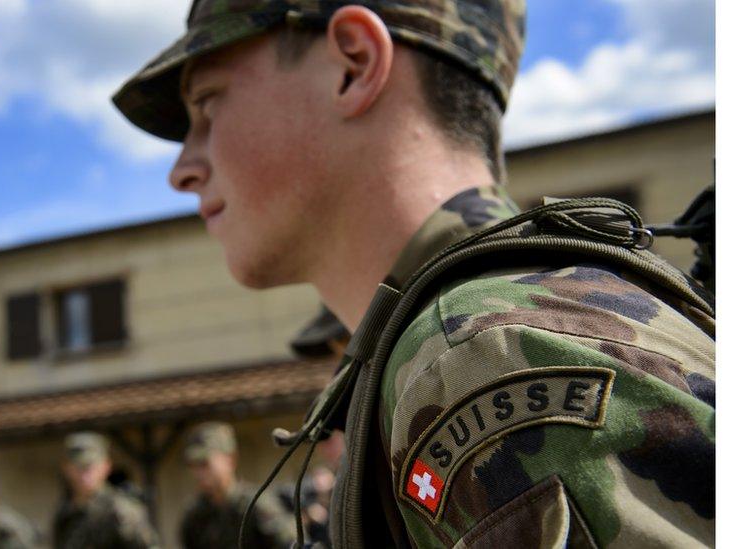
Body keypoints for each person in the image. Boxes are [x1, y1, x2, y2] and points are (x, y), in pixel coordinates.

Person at [112, 1, 715, 547]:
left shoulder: (478, 357)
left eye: (208, 106)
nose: (183, 169)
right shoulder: (453, 343)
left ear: (353, 64)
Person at [178, 422, 294, 549]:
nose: (199, 473)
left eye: (204, 463)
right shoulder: (195, 516)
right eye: (193, 465)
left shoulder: (256, 506)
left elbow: (292, 544)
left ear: (230, 460)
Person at [52, 432, 160, 549]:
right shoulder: (65, 513)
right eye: (78, 467)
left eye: (89, 467)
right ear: (66, 468)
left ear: (106, 466)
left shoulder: (121, 511)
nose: (84, 475)